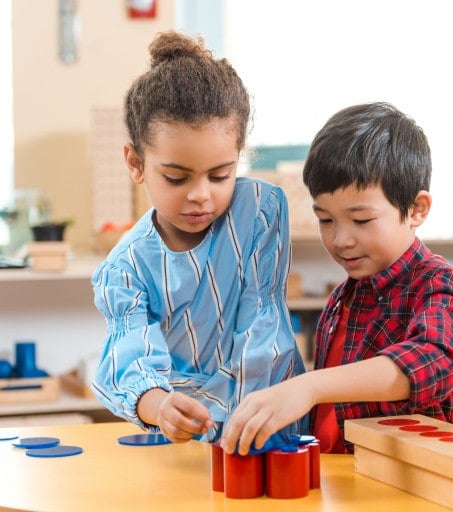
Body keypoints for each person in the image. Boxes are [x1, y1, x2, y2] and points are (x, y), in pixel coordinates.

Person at [90, 31, 305, 446]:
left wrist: (242, 419)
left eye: (221, 174)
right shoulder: (125, 268)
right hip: (184, 436)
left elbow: (262, 331)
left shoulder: (257, 212)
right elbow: (127, 358)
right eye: (176, 177)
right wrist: (160, 405)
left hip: (267, 424)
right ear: (136, 163)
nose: (200, 194)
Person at [220, 102, 453, 455]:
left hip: (409, 489)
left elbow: (436, 358)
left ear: (416, 210)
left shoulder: (437, 283)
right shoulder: (343, 297)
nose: (341, 240)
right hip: (341, 482)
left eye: (362, 220)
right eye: (326, 220)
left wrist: (309, 387)